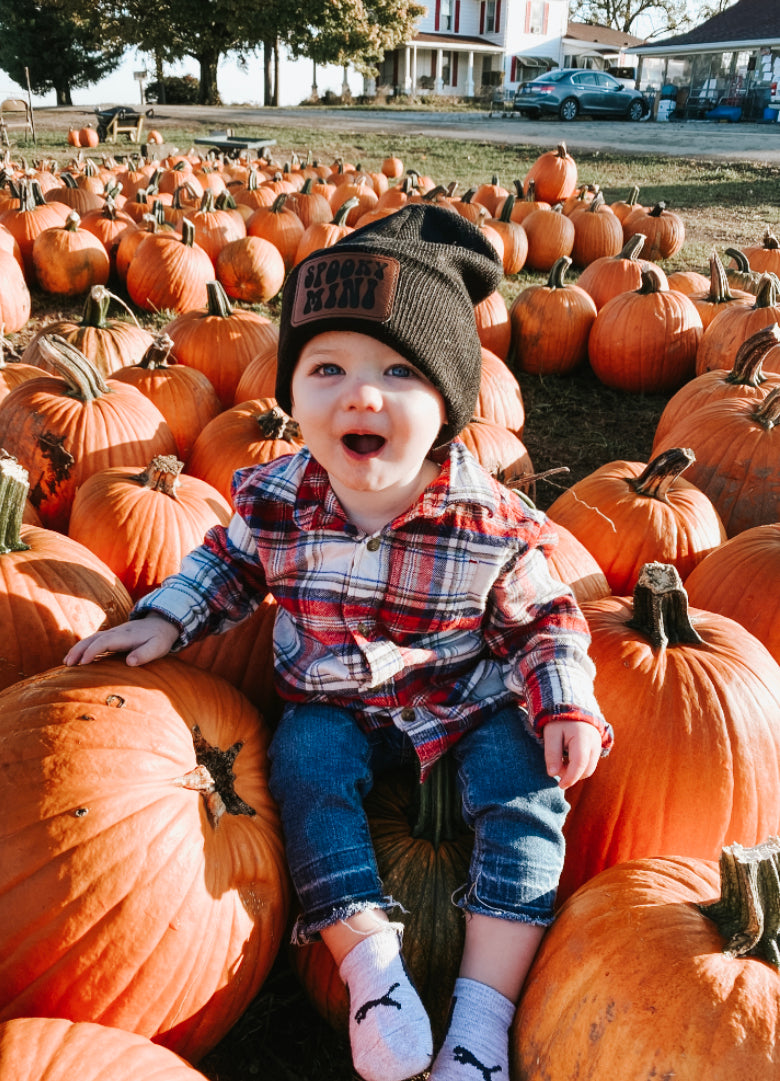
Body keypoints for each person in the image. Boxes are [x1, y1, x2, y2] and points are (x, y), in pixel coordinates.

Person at [65, 203, 612, 1081]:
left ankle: (481, 1015)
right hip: (334, 703)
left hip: (462, 704)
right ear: (293, 394)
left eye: (400, 370)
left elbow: (546, 620)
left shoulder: (493, 523)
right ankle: (371, 968)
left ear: (449, 407)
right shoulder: (276, 498)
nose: (362, 394)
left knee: (528, 792)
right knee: (304, 768)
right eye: (328, 367)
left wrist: (565, 700)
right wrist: (167, 614)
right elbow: (228, 566)